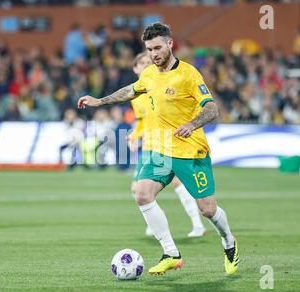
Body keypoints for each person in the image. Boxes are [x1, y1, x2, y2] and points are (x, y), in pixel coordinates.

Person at [78, 23, 238, 276]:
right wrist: (100, 101)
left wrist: (192, 124)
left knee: (208, 208)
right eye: (149, 49)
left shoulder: (189, 74)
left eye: (157, 47)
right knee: (141, 193)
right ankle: (171, 253)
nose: (153, 53)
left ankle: (229, 242)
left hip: (190, 150)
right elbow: (131, 90)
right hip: (159, 149)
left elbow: (212, 109)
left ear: (170, 44)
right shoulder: (149, 74)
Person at [128, 51, 206, 238]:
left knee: (176, 181)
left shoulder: (158, 86)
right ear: (135, 68)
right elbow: (143, 121)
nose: (147, 65)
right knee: (136, 189)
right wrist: (134, 135)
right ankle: (158, 220)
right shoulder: (136, 95)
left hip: (165, 141)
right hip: (149, 143)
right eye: (142, 63)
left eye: (149, 62)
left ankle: (197, 225)